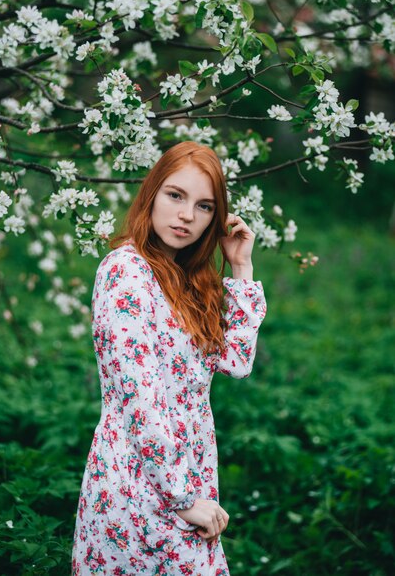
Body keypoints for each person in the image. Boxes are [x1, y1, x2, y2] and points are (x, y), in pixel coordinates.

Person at [72, 141, 267, 575]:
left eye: (204, 206)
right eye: (175, 196)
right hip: (139, 481)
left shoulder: (187, 279)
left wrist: (241, 269)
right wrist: (181, 498)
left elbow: (236, 362)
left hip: (187, 476)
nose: (186, 216)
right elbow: (140, 396)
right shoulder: (126, 271)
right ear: (152, 193)